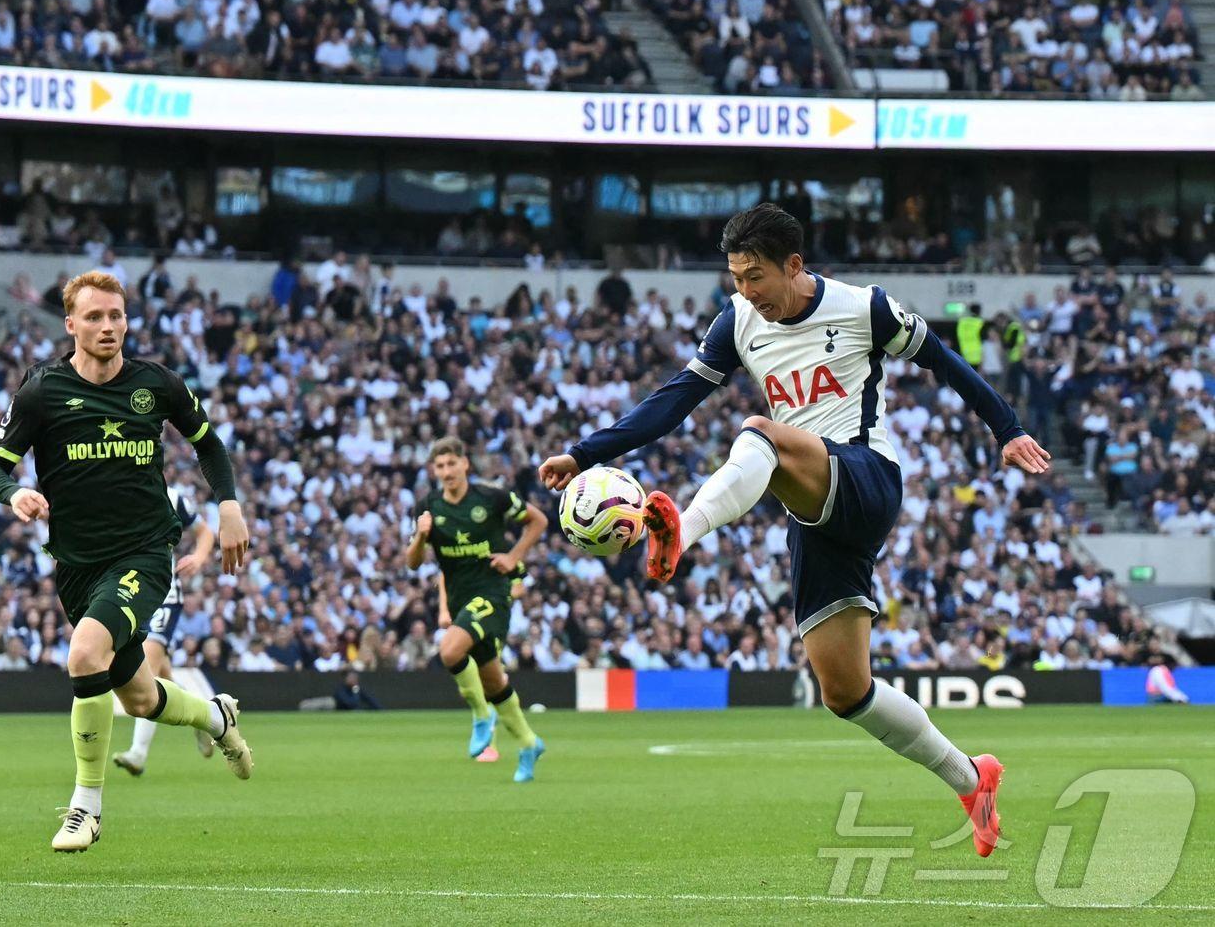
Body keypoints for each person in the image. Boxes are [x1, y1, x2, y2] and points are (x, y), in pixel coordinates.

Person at [539, 204, 1051, 857]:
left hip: (866, 476)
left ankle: (681, 532)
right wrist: (585, 453)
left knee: (760, 433)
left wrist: (1008, 429)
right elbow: (672, 400)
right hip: (809, 508)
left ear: (795, 266)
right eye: (736, 277)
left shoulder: (865, 308)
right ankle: (971, 778)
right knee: (845, 691)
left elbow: (946, 362)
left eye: (755, 277)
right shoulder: (738, 320)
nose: (745, 291)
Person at [0, 270, 254, 853]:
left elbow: (207, 441)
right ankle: (216, 718)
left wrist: (228, 504)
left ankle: (86, 807)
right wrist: (15, 494)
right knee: (139, 696)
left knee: (84, 654)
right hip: (77, 563)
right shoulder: (42, 391)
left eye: (117, 316)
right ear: (71, 323)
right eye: (95, 317)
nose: (108, 326)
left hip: (145, 551)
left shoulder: (156, 384)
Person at [405, 437, 549, 782]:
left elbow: (538, 520)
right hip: (459, 598)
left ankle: (482, 716)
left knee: (450, 650)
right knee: (494, 680)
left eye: (452, 463)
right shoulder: (428, 507)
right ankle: (529, 743)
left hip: (493, 593)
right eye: (440, 466)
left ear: (465, 463)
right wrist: (421, 537)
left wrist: (514, 557)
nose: (446, 471)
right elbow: (412, 564)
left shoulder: (491, 498)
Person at [111, 485, 218, 776]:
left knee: (147, 670)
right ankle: (205, 717)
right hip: (126, 591)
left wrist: (198, 557)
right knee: (164, 675)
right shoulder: (110, 488)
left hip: (163, 593)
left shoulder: (170, 496)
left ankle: (138, 753)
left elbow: (205, 532)